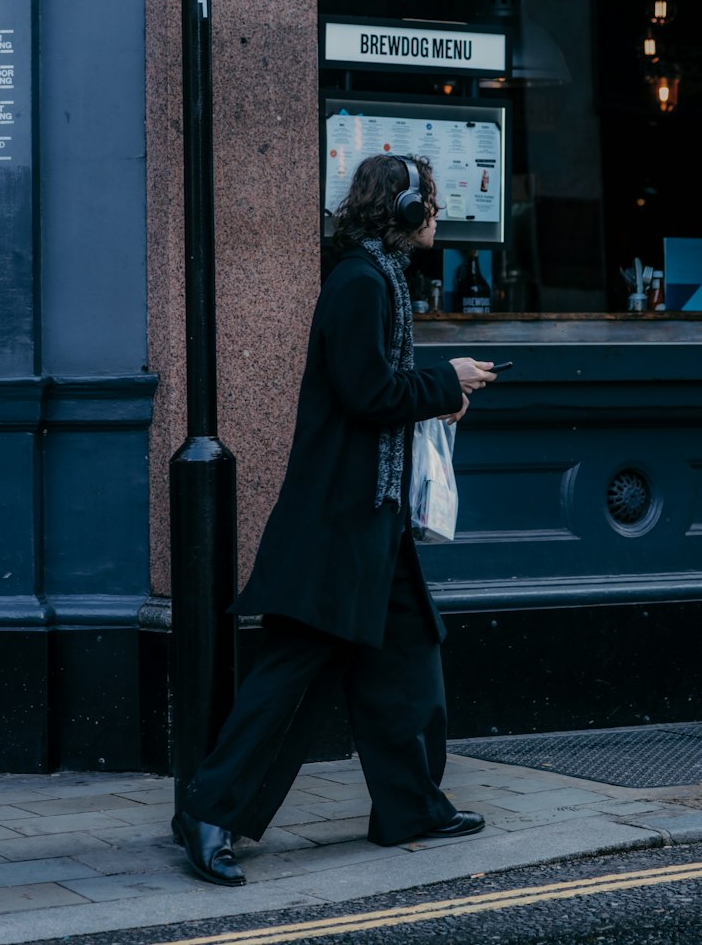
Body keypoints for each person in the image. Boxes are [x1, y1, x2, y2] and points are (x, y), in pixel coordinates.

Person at [173, 152, 498, 886]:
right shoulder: (358, 282)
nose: (438, 219)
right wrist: (449, 379)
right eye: (433, 206)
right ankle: (208, 811)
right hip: (337, 522)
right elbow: (368, 392)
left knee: (408, 657)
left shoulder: (380, 278)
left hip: (372, 519)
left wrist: (439, 390)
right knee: (291, 674)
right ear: (405, 212)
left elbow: (381, 391)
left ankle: (411, 807)